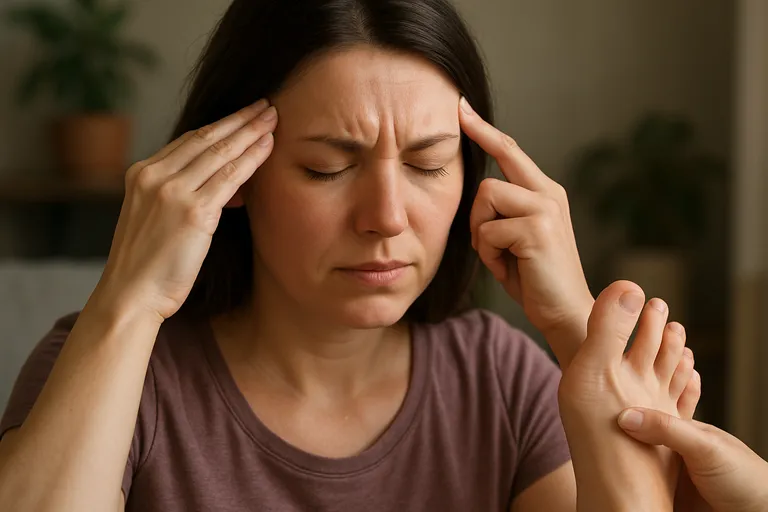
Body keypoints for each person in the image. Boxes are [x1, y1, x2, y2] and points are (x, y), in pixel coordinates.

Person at [0, 1, 697, 511]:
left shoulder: (502, 380)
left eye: (428, 165)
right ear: (234, 176)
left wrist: (580, 332)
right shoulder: (108, 370)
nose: (387, 218)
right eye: (328, 169)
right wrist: (128, 300)